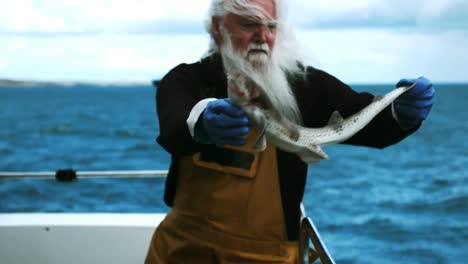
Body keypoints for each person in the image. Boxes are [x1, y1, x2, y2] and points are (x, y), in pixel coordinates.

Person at [145, 0, 435, 263]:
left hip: (267, 257)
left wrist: (400, 112)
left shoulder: (304, 86)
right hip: (183, 251)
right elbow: (174, 124)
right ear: (217, 28)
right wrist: (202, 121)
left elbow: (368, 122)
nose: (263, 36)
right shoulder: (185, 81)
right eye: (249, 24)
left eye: (270, 26)